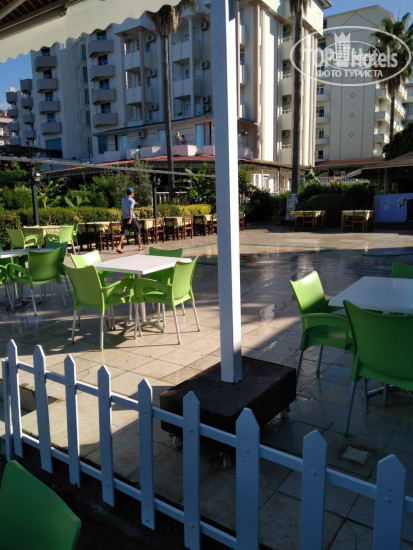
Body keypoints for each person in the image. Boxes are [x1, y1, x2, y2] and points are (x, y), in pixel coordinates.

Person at [116, 187, 145, 253]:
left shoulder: (123, 199)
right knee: (137, 231)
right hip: (131, 218)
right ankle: (140, 246)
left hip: (125, 218)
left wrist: (135, 203)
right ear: (132, 193)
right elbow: (130, 209)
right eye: (133, 193)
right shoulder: (132, 200)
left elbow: (128, 203)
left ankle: (119, 246)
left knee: (124, 233)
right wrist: (131, 219)